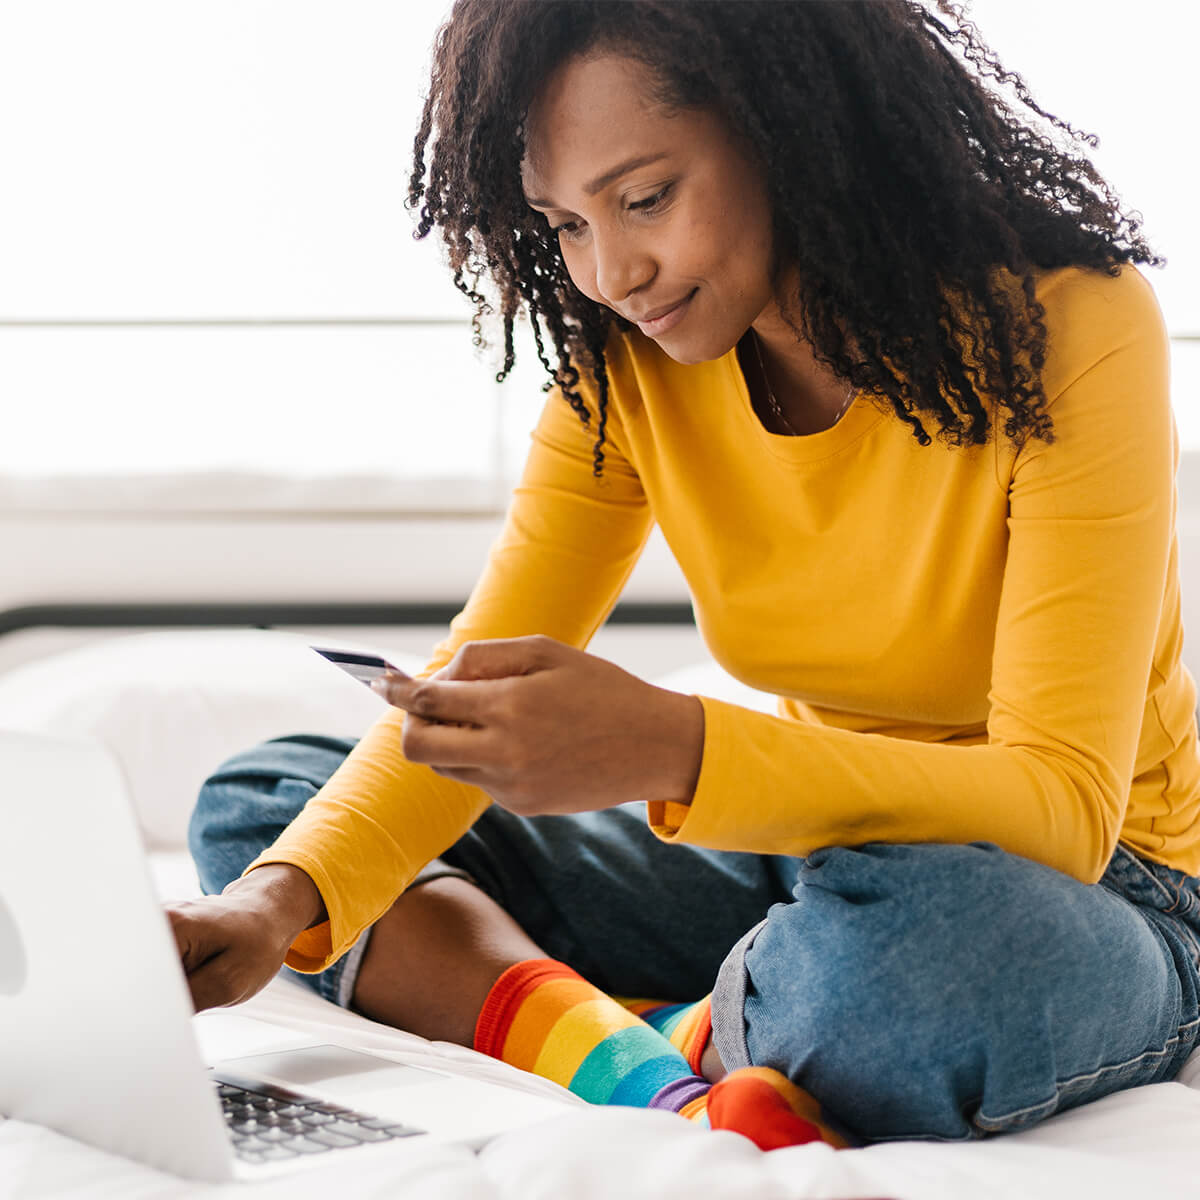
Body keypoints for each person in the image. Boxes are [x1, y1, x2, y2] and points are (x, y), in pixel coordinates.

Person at [168, 0, 1200, 1150]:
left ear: (789, 129)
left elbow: (1059, 805)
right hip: (812, 856)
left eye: (646, 198)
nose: (612, 273)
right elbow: (468, 685)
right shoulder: (629, 372)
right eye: (563, 224)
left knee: (917, 973)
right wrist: (273, 905)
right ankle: (662, 1058)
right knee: (270, 809)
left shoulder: (1068, 324)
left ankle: (683, 1024)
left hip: (1097, 886)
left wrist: (676, 745)